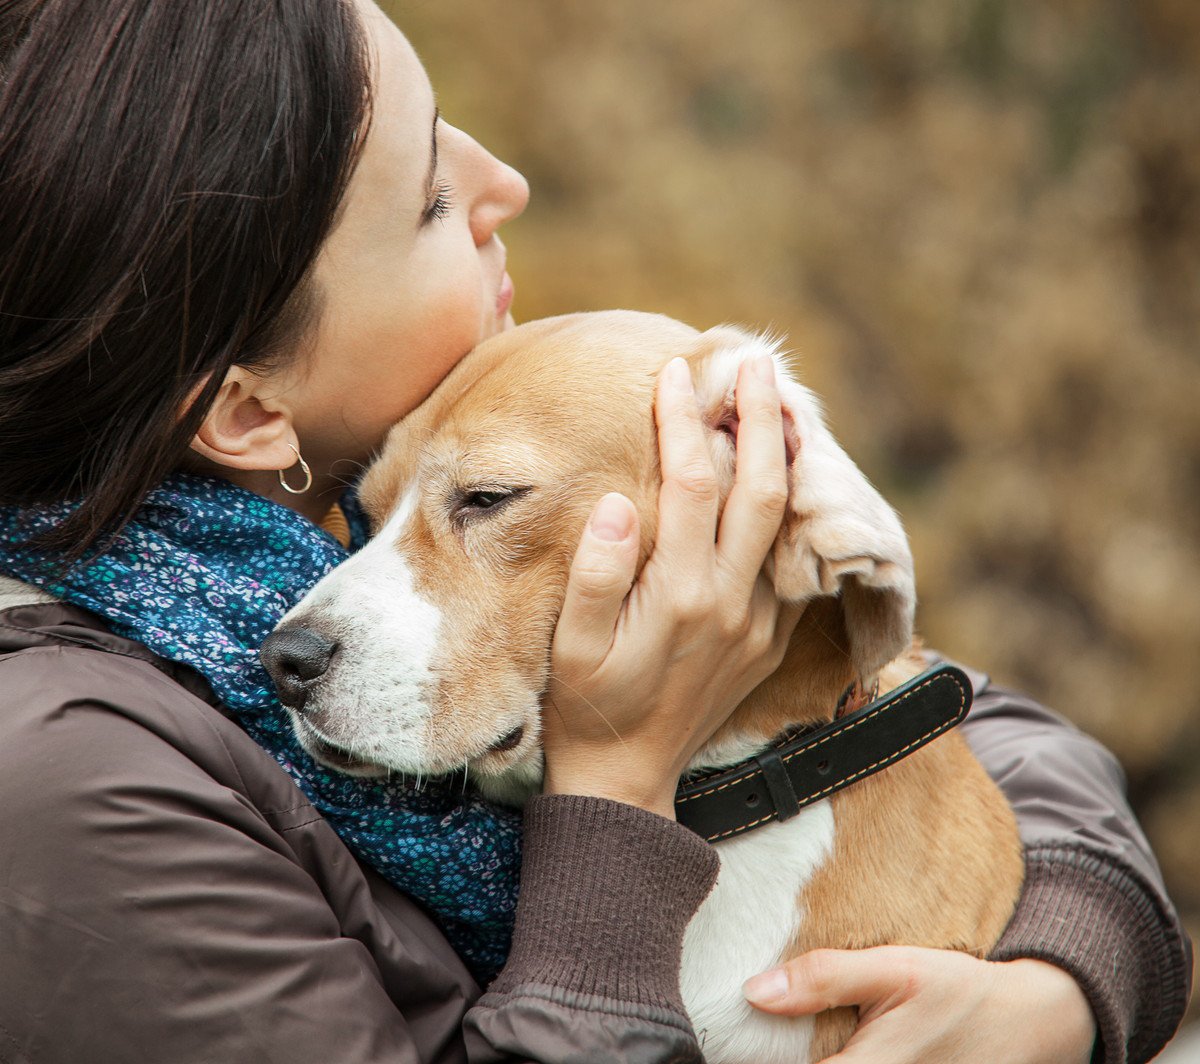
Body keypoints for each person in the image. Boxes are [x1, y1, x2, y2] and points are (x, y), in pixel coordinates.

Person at [0, 1, 1189, 1062]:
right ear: (249, 408)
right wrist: (618, 781)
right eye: (428, 198)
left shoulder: (318, 529)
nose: (503, 179)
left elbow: (945, 712)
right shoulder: (72, 782)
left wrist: (1058, 984)